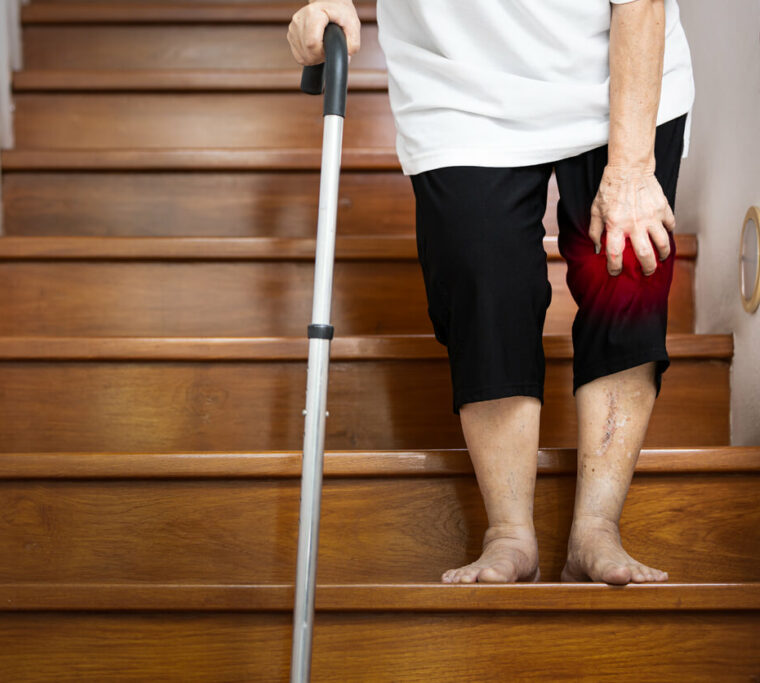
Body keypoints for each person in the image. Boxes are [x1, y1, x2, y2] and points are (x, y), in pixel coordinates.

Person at [288, 0, 694, 585]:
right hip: (456, 84)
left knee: (626, 272)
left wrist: (630, 170)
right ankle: (509, 534)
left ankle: (597, 529)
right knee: (481, 282)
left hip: (613, 68)